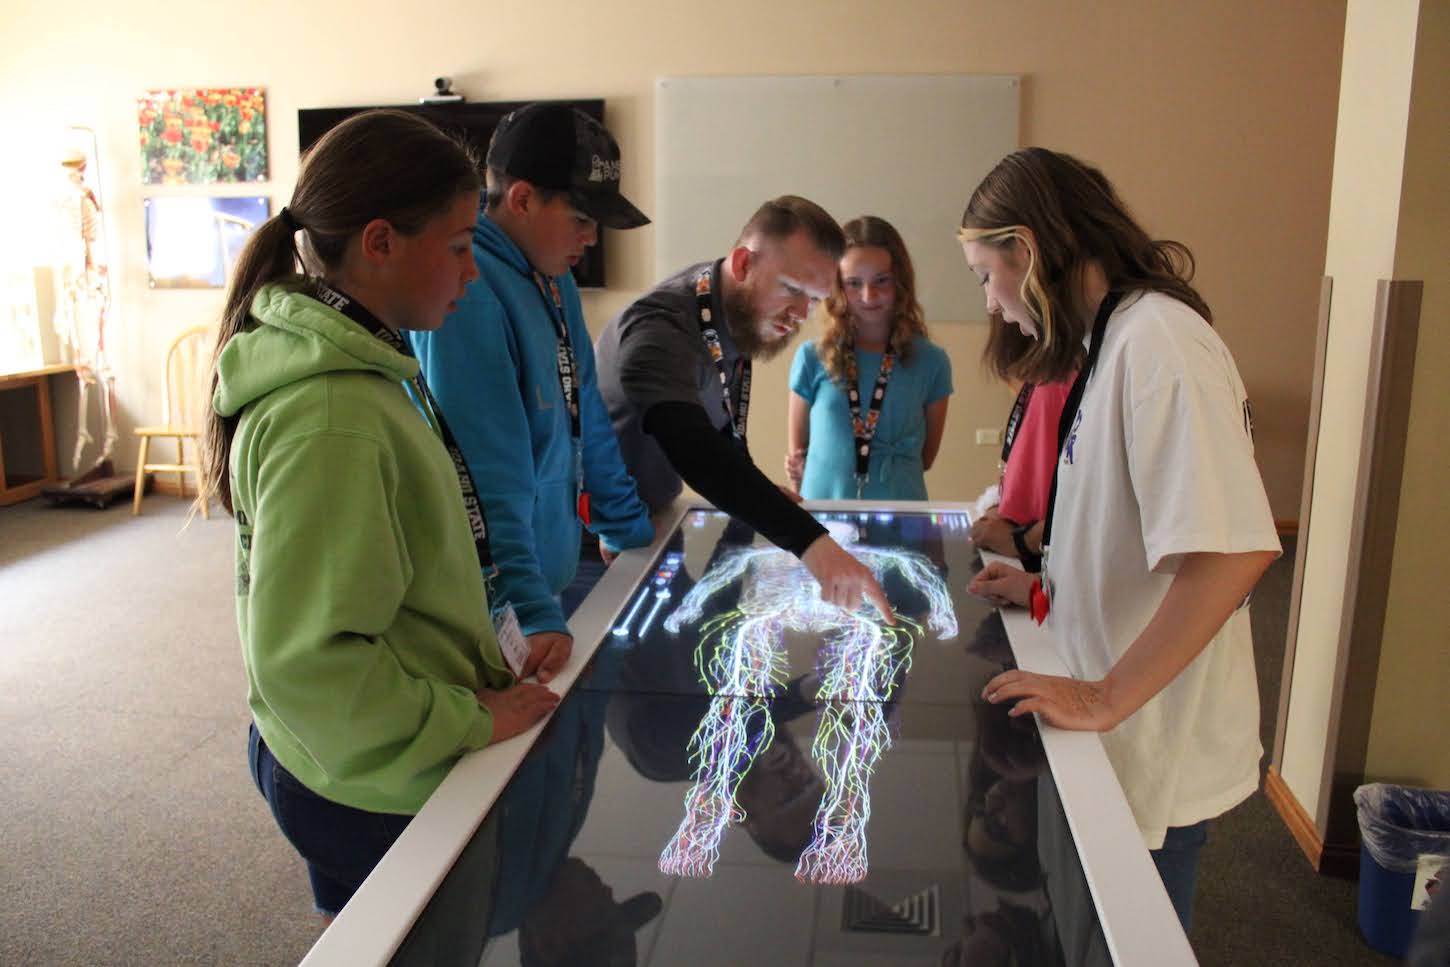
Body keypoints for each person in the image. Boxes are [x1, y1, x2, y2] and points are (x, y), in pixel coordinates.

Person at [202, 109, 559, 924]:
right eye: (462, 245)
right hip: (364, 777)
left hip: (371, 747)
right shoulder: (333, 417)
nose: (474, 273)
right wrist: (471, 717)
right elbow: (313, 666)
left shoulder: (371, 366)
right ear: (380, 243)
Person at [960, 147, 1280, 930]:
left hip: (1148, 724)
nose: (994, 305)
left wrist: (1104, 694)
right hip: (1109, 715)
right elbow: (1124, 526)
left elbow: (1232, 552)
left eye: (984, 277)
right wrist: (1046, 585)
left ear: (1027, 251)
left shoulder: (1160, 345)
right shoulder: (1107, 347)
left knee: (1131, 936)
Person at [408, 103, 654, 684]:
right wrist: (528, 606)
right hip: (491, 602)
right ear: (521, 200)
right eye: (580, 219)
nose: (591, 240)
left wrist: (625, 527)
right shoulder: (466, 293)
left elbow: (584, 408)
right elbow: (484, 470)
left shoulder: (555, 275)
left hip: (546, 579)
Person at [594, 196, 893, 620]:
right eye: (792, 289)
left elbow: (722, 435)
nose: (800, 315)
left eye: (814, 300)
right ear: (742, 264)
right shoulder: (660, 331)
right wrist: (813, 546)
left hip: (651, 522)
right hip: (597, 541)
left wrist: (762, 497)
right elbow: (693, 447)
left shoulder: (730, 315)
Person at [784, 215, 952, 501]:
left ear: (901, 282)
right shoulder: (812, 357)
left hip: (902, 523)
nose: (868, 295)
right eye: (853, 283)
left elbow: (926, 458)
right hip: (825, 525)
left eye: (881, 281)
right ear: (838, 286)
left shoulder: (932, 362)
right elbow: (798, 457)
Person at [968, 309, 1076, 568]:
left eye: (987, 276)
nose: (991, 302)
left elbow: (1078, 511)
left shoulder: (1055, 384)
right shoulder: (1045, 379)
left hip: (1044, 567)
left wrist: (1020, 540)